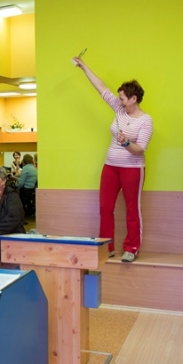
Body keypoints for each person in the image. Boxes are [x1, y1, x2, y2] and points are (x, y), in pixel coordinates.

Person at [74, 56, 154, 263]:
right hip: (110, 167)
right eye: (119, 98)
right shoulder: (119, 110)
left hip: (133, 169)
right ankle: (106, 247)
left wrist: (126, 142)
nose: (119, 101)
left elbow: (140, 150)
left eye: (122, 98)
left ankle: (132, 247)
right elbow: (101, 88)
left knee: (132, 209)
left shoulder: (146, 120)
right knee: (105, 207)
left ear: (133, 99)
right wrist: (84, 66)